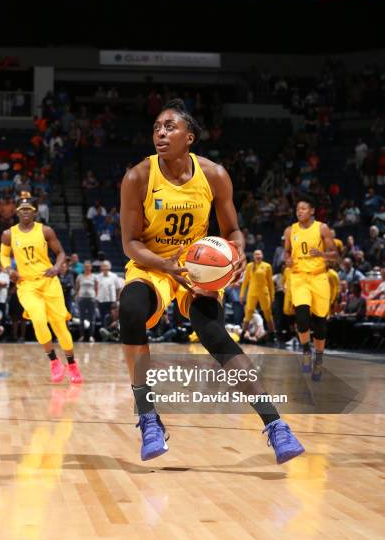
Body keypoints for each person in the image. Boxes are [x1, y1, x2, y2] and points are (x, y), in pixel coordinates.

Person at [119, 98, 304, 464]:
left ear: (190, 136)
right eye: (157, 127)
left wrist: (234, 259)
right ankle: (147, 414)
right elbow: (130, 244)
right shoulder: (138, 176)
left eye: (170, 126)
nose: (161, 132)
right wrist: (164, 265)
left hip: (197, 267)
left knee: (215, 334)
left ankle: (275, 425)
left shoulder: (214, 175)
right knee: (130, 310)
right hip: (153, 265)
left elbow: (233, 230)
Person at [0, 192, 82, 383]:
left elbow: (60, 253)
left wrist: (56, 266)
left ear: (35, 213)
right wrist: (7, 269)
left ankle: (71, 364)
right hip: (26, 283)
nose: (25, 213)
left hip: (48, 281)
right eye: (22, 210)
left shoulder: (45, 231)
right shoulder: (8, 234)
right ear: (17, 213)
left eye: (29, 210)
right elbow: (3, 256)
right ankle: (54, 362)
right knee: (37, 319)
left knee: (59, 325)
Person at [283, 195, 338, 381]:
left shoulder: (322, 228)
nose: (299, 212)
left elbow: (335, 255)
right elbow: (287, 252)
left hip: (319, 278)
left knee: (320, 324)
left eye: (303, 208)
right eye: (298, 209)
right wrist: (287, 260)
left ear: (312, 211)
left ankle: (319, 360)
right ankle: (306, 350)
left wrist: (321, 253)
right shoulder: (291, 230)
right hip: (299, 278)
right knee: (302, 317)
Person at [240, 249, 276, 340]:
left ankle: (272, 333)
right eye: (256, 254)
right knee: (248, 312)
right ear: (253, 256)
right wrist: (241, 295)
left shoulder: (267, 266)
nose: (258, 256)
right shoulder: (249, 266)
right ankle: (243, 333)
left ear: (262, 255)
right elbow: (245, 282)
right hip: (252, 292)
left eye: (259, 254)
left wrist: (272, 296)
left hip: (264, 292)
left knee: (267, 312)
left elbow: (270, 283)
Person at [75, 260, 98, 342]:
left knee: (92, 318)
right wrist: (77, 296)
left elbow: (96, 288)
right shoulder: (79, 276)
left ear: (91, 268)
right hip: (82, 299)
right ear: (83, 267)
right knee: (81, 318)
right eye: (85, 267)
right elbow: (77, 288)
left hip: (91, 299)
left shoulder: (94, 276)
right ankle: (82, 336)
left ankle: (91, 336)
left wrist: (96, 297)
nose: (87, 268)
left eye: (88, 266)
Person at [96, 260, 123, 325]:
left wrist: (117, 299)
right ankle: (103, 332)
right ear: (101, 267)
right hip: (101, 301)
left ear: (109, 267)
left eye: (106, 266)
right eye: (103, 266)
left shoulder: (114, 276)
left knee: (114, 318)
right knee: (103, 318)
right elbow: (95, 289)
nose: (105, 268)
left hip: (112, 301)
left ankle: (112, 333)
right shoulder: (97, 277)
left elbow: (118, 288)